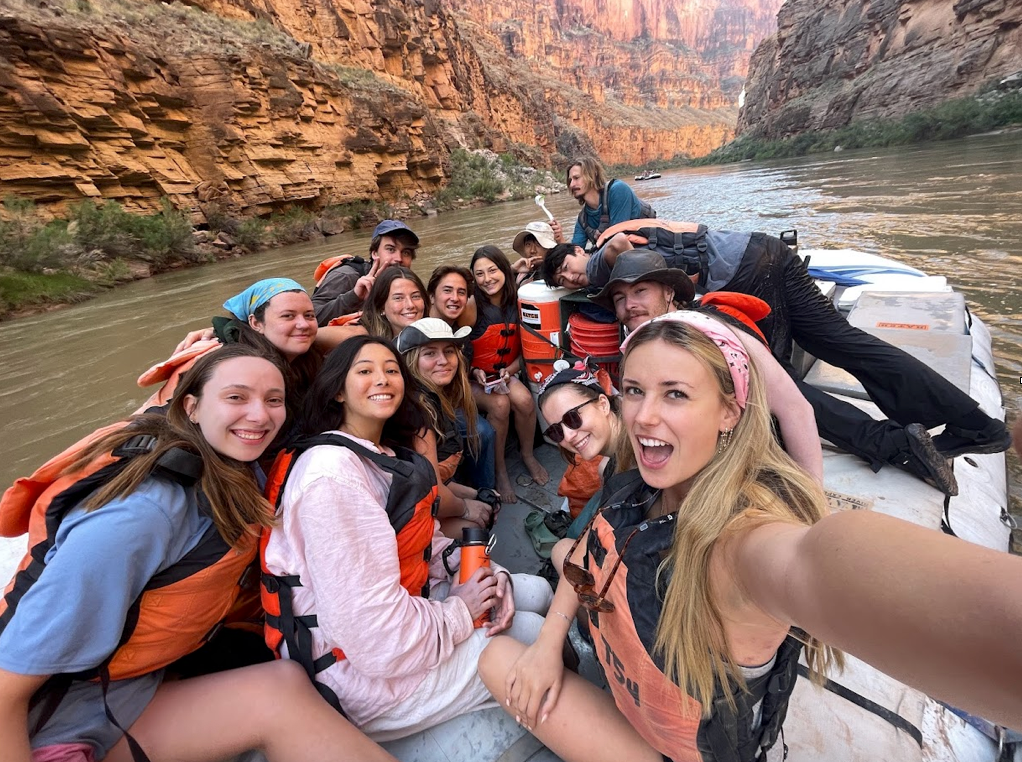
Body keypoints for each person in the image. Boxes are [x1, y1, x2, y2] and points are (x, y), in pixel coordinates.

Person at [478, 311, 1022, 762]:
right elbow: (594, 548)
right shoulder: (633, 482)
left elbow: (820, 563)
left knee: (494, 658)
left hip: (677, 750)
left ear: (729, 412)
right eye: (635, 391)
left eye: (675, 395)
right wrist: (549, 646)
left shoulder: (746, 541)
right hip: (631, 700)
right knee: (511, 638)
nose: (643, 415)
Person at [0, 345, 397, 762]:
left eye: (274, 400)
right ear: (191, 406)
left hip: (130, 685)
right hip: (56, 722)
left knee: (285, 678)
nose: (260, 416)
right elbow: (7, 688)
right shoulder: (138, 517)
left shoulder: (233, 468)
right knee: (280, 696)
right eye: (236, 397)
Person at [260, 335, 553, 740]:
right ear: (337, 392)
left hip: (406, 612)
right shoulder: (331, 478)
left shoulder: (380, 453)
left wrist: (489, 578)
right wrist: (459, 612)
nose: (382, 379)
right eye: (364, 371)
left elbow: (421, 543)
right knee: (536, 637)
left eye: (391, 370)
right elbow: (375, 638)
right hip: (358, 676)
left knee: (535, 592)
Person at [542, 227, 1011, 468]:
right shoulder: (660, 288)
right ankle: (968, 422)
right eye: (618, 298)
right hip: (760, 258)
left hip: (760, 267)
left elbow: (794, 403)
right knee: (843, 346)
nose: (626, 305)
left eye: (637, 292)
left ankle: (910, 440)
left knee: (790, 380)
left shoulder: (617, 248)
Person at [138, 278, 321, 427]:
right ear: (256, 323)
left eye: (309, 315)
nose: (303, 324)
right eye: (287, 316)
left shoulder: (302, 357)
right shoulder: (234, 366)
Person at [396, 318, 495, 536]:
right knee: (476, 528)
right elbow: (431, 493)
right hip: (410, 517)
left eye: (449, 351)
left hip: (429, 494)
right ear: (411, 361)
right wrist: (467, 507)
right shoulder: (417, 415)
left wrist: (476, 495)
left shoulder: (432, 398)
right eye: (430, 353)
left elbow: (438, 480)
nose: (443, 361)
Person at [468, 246, 549, 502]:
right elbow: (456, 348)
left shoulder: (517, 300)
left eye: (492, 270)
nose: (486, 279)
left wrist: (510, 370)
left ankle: (527, 454)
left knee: (525, 400)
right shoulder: (471, 305)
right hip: (473, 378)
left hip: (504, 373)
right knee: (501, 405)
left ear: (504, 270)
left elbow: (524, 350)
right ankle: (500, 469)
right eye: (479, 274)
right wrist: (473, 369)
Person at [426, 265, 498, 492]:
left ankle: (486, 490)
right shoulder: (418, 329)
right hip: (425, 408)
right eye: (447, 291)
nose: (455, 298)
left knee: (484, 432)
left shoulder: (460, 331)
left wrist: (474, 369)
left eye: (461, 293)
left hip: (452, 400)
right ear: (431, 295)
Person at [312, 219, 419, 326]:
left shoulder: (405, 285)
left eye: (406, 252)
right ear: (375, 253)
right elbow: (310, 318)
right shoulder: (346, 276)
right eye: (391, 249)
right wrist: (354, 296)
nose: (399, 258)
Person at [567, 157, 651, 249]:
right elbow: (575, 251)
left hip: (647, 251)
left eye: (576, 178)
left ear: (593, 175)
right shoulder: (583, 219)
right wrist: (560, 239)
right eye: (570, 180)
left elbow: (617, 238)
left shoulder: (618, 190)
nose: (571, 185)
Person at [357, 266, 427, 340]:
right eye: (398, 298)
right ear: (381, 307)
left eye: (415, 296)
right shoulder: (366, 343)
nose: (410, 305)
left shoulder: (439, 335)